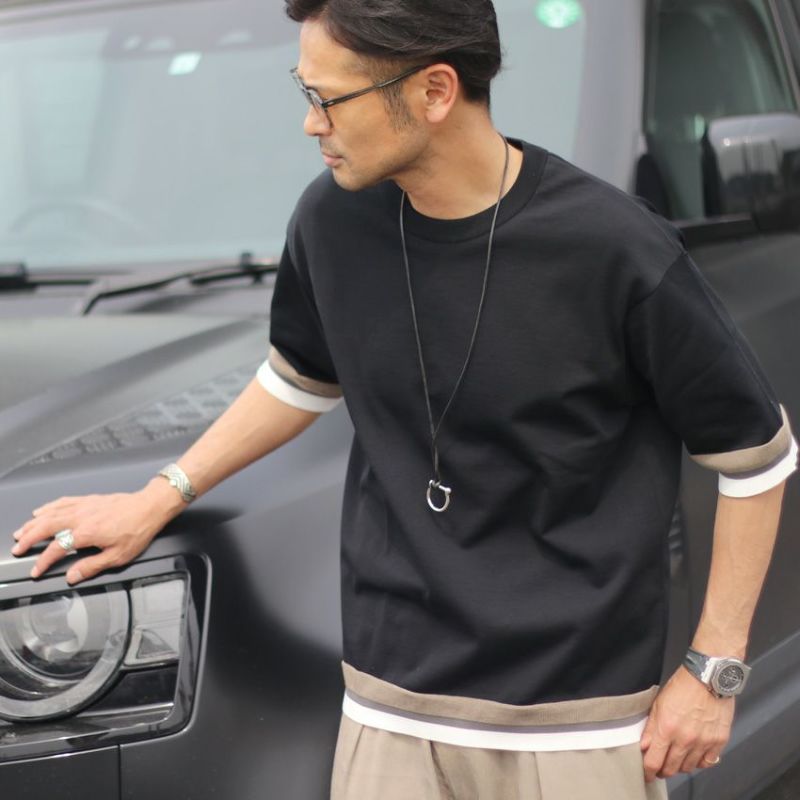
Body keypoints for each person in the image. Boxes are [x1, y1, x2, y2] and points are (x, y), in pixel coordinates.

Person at [10, 1, 798, 798]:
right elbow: (298, 377)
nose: (311, 124)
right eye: (305, 92)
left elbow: (755, 459)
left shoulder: (615, 248)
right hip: (388, 714)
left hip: (574, 725)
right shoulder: (332, 220)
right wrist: (156, 498)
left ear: (434, 91)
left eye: (328, 98)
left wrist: (714, 669)